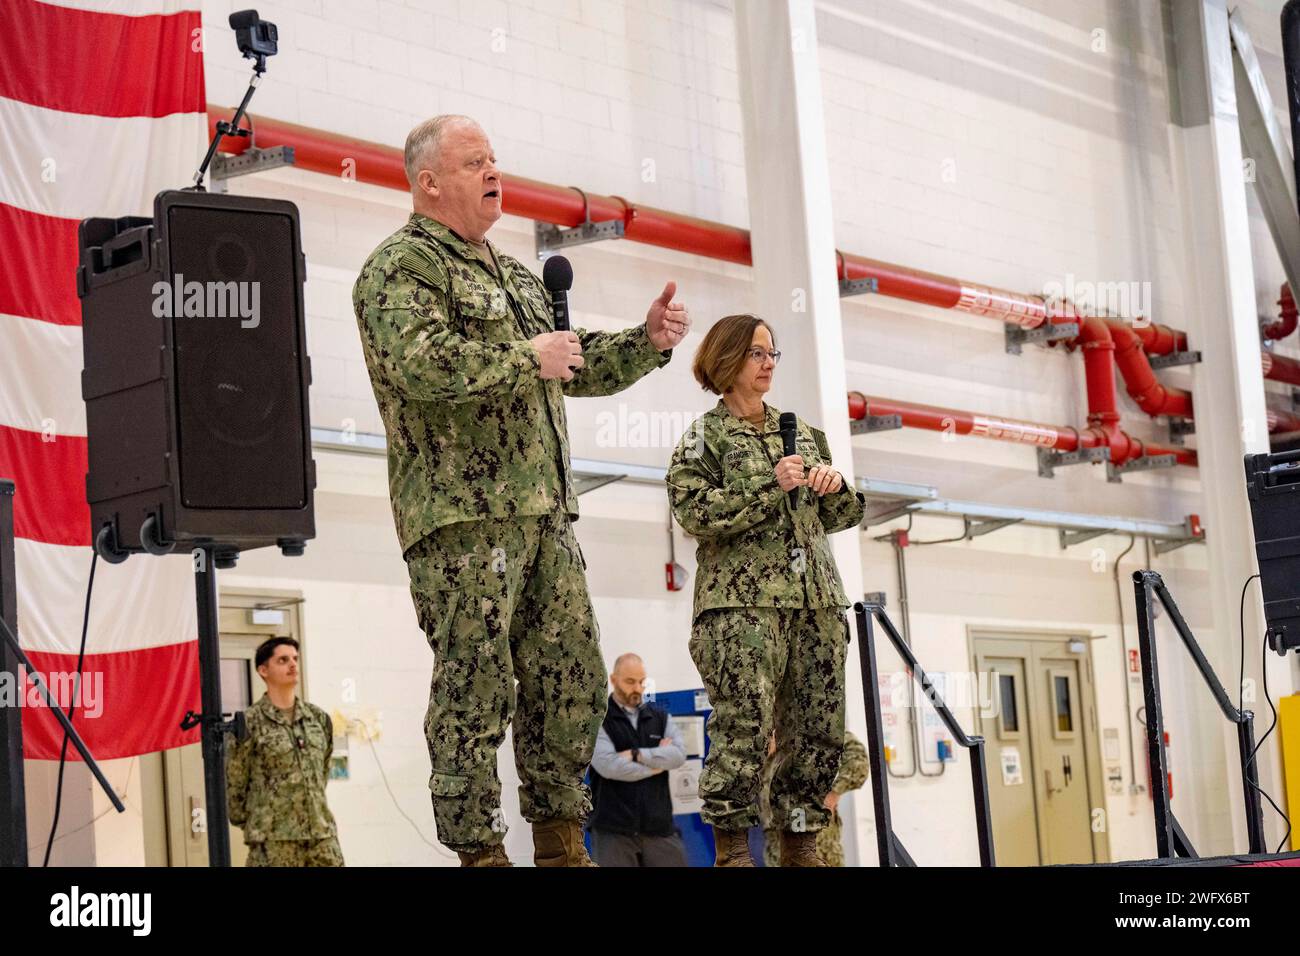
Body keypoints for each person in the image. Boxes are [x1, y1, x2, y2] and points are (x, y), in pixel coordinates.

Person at [352, 114, 690, 867]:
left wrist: (645, 341)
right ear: (429, 181)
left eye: (495, 158)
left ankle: (561, 841)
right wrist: (521, 356)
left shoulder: (514, 277)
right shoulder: (399, 268)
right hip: (463, 519)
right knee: (476, 687)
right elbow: (422, 363)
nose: (492, 170)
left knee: (571, 681)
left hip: (545, 517)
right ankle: (479, 852)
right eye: (475, 161)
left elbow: (571, 364)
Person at [666, 313, 866, 866]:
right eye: (758, 354)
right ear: (727, 359)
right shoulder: (702, 439)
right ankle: (733, 852)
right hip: (742, 608)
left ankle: (801, 850)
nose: (768, 364)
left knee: (817, 731)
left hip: (815, 603)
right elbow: (694, 513)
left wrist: (835, 486)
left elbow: (846, 512)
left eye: (773, 354)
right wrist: (767, 485)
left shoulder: (801, 432)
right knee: (744, 730)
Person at [226, 637, 343, 867]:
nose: (293, 665)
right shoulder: (250, 723)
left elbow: (322, 771)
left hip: (321, 836)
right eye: (283, 660)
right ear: (263, 670)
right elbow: (236, 786)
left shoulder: (317, 718)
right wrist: (261, 821)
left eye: (295, 659)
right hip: (274, 841)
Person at [588, 653, 688, 866]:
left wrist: (637, 755)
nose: (638, 688)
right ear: (614, 680)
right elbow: (609, 766)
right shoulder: (598, 721)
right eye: (630, 681)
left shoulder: (661, 718)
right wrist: (656, 766)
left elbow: (678, 755)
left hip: (660, 829)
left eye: (642, 681)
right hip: (613, 832)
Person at [761, 730, 869, 866]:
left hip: (816, 844)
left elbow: (858, 760)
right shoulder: (763, 730)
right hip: (776, 848)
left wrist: (833, 794)